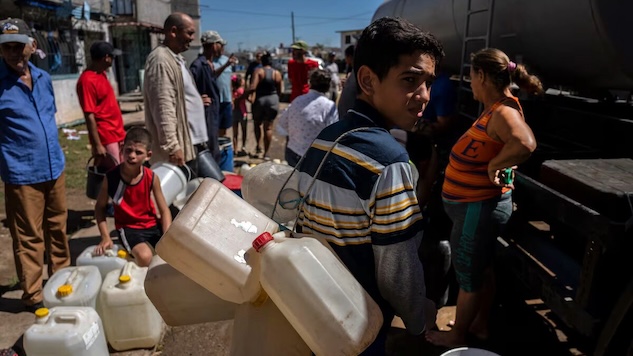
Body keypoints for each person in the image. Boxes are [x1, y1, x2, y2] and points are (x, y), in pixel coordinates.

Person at [293, 17, 444, 353]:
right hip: (359, 324)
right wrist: (418, 319)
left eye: (429, 83)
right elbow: (397, 271)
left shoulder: (328, 137)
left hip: (311, 305)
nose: (423, 97)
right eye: (409, 80)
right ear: (367, 80)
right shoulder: (389, 162)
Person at [426, 48, 541, 347]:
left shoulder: (503, 112)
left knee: (467, 273)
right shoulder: (497, 108)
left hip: (477, 208)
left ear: (481, 76)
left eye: (470, 77)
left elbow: (525, 143)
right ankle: (478, 324)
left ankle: (457, 335)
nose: (469, 83)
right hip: (476, 208)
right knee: (481, 267)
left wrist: (494, 165)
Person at [0, 18, 70, 311]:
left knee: (58, 228)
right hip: (22, 172)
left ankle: (63, 282)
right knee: (29, 237)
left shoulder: (43, 78)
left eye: (20, 47)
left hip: (55, 166)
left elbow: (49, 114)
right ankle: (33, 294)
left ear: (32, 46)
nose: (15, 53)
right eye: (8, 48)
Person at [94, 127, 172, 267]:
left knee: (174, 254)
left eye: (138, 152)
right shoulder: (111, 177)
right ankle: (145, 287)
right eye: (128, 150)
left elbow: (165, 210)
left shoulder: (151, 177)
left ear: (148, 155)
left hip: (152, 225)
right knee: (145, 256)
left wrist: (167, 235)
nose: (132, 156)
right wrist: (105, 237)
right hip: (128, 228)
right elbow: (100, 208)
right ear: (121, 149)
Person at [143, 12, 207, 168]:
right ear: (173, 32)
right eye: (190, 33)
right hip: (178, 151)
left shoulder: (176, 58)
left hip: (190, 144)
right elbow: (163, 106)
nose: (192, 38)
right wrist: (172, 147)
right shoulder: (161, 61)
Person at [76, 41, 126, 169]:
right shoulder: (87, 81)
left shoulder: (101, 74)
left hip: (117, 132)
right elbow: (89, 115)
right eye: (112, 57)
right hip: (106, 136)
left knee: (123, 171)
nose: (113, 60)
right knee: (114, 174)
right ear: (106, 58)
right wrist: (97, 144)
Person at [276, 69, 339, 167]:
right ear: (328, 86)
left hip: (292, 153)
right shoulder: (329, 106)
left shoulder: (297, 100)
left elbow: (282, 125)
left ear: (310, 83)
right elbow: (333, 135)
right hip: (314, 158)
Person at [242, 52, 282, 159]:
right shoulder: (276, 73)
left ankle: (259, 146)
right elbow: (279, 90)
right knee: (268, 128)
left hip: (260, 100)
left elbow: (252, 87)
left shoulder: (258, 71)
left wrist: (243, 96)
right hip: (272, 100)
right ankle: (266, 153)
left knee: (257, 124)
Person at [190, 30, 222, 163]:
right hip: (206, 113)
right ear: (214, 45)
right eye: (220, 44)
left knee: (214, 143)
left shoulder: (209, 64)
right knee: (210, 147)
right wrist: (197, 99)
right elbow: (187, 88)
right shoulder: (198, 65)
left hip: (213, 111)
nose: (221, 48)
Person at [210, 32, 238, 137]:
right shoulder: (210, 61)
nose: (222, 49)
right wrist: (226, 65)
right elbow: (212, 76)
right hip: (215, 100)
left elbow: (228, 80)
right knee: (213, 128)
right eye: (220, 46)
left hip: (226, 100)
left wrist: (232, 98)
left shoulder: (227, 60)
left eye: (223, 46)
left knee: (223, 128)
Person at [231, 74, 248, 155]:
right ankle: (243, 147)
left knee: (235, 133)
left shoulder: (233, 91)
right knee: (244, 130)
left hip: (234, 112)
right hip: (242, 112)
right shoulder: (242, 91)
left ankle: (235, 149)